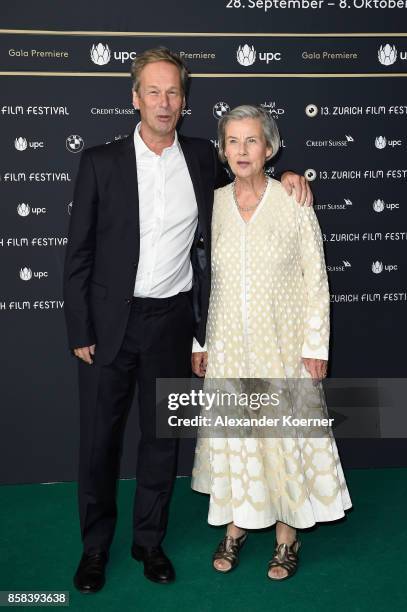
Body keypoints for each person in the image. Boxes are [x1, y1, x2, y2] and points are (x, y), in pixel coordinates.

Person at [63, 48, 313, 593]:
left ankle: (148, 543)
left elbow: (253, 173)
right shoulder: (100, 162)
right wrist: (79, 328)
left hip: (172, 324)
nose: (164, 102)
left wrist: (291, 175)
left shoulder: (203, 157)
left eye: (173, 92)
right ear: (135, 98)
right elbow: (77, 254)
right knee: (99, 444)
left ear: (184, 101)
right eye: (153, 91)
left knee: (161, 442)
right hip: (107, 328)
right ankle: (94, 550)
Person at [191, 105, 352, 581]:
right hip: (227, 347)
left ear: (270, 148)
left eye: (252, 141)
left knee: (283, 438)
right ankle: (238, 525)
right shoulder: (214, 203)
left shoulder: (293, 201)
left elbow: (316, 278)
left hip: (283, 347)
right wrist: (200, 339)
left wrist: (316, 347)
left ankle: (286, 537)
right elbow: (200, 280)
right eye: (233, 142)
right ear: (222, 150)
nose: (242, 151)